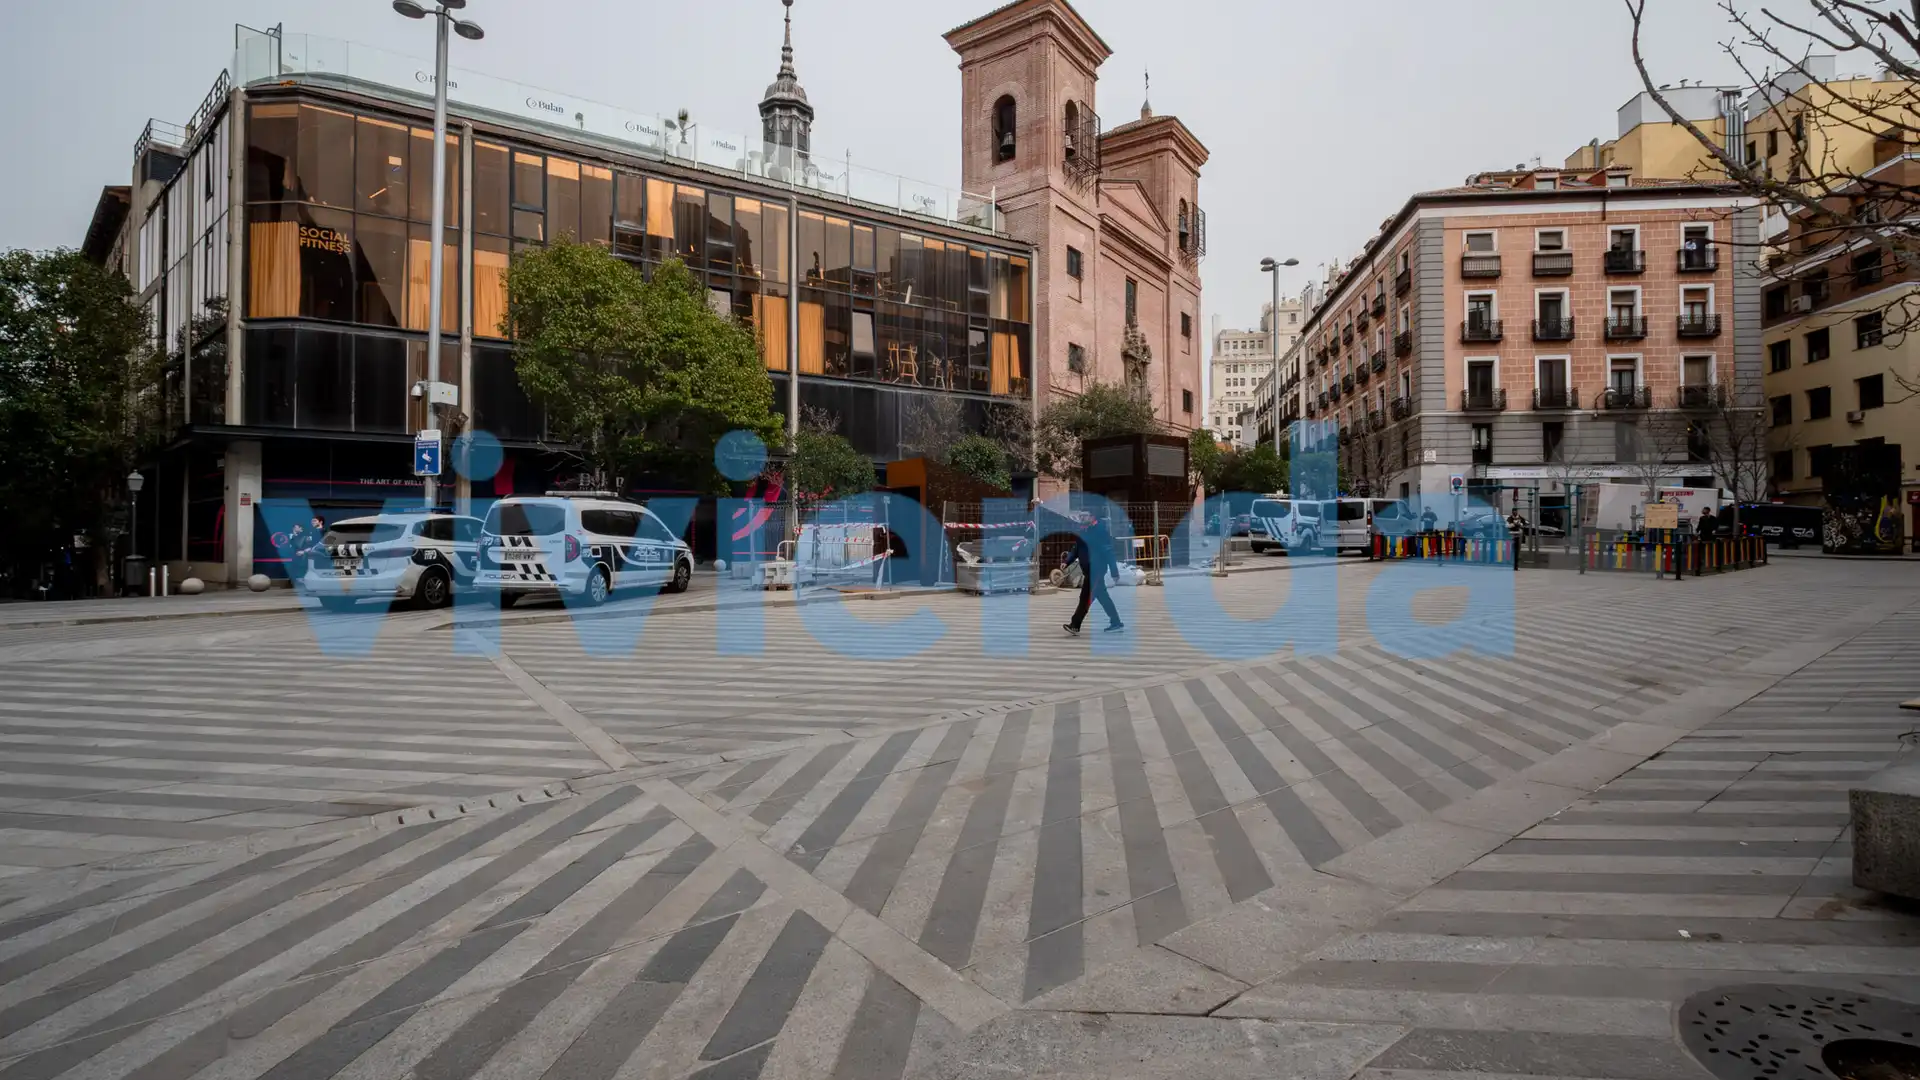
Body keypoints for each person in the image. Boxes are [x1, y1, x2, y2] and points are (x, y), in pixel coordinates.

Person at [1063, 511, 1123, 635]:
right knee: (1103, 597)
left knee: (1085, 597)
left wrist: (1114, 571)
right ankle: (1116, 621)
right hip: (1088, 570)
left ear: (1092, 517)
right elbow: (1076, 549)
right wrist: (1067, 561)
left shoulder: (1100, 531)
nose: (1082, 518)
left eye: (1084, 515)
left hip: (1097, 570)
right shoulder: (1082, 531)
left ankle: (1075, 625)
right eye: (1081, 516)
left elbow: (1108, 551)